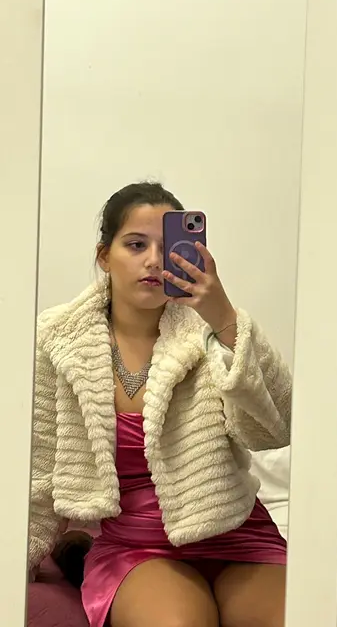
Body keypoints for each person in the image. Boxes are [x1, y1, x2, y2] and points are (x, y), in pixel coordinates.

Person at [29, 182, 292, 627]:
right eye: (136, 245)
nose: (153, 260)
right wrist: (21, 559)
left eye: (166, 247)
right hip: (139, 548)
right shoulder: (57, 340)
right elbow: (39, 467)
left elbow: (275, 428)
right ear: (104, 256)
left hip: (237, 533)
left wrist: (225, 319)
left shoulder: (210, 330)